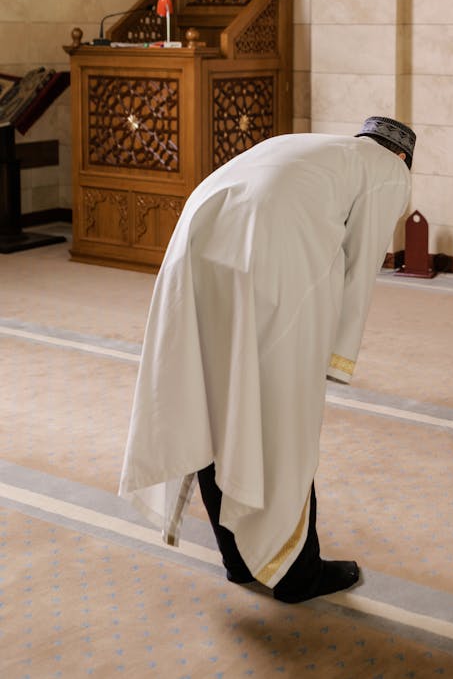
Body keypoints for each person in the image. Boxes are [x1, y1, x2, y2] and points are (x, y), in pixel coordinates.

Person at [119, 116, 415, 603]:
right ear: (402, 155)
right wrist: (336, 358)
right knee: (283, 420)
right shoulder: (390, 171)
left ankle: (238, 560)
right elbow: (362, 266)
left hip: (196, 246)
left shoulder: (317, 148)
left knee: (213, 398)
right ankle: (297, 575)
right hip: (269, 266)